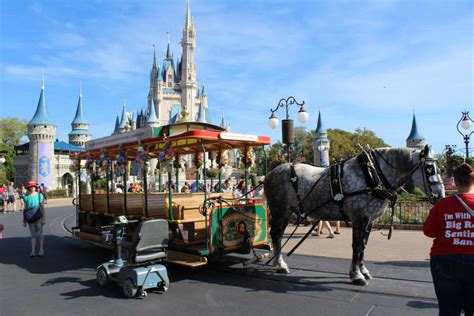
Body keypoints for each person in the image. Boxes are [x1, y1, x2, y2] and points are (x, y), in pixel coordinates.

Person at [423, 163, 474, 316]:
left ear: (455, 183)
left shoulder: (442, 204)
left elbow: (429, 232)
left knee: (448, 310)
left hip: (445, 260)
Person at [22, 181, 46, 257]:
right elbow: (25, 209)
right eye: (30, 187)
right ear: (28, 188)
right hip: (30, 218)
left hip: (39, 217)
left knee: (40, 234)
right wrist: (24, 220)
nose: (32, 188)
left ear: (35, 187)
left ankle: (41, 250)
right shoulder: (26, 197)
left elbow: (43, 208)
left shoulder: (39, 195)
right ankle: (33, 250)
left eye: (33, 187)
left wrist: (44, 218)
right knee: (33, 234)